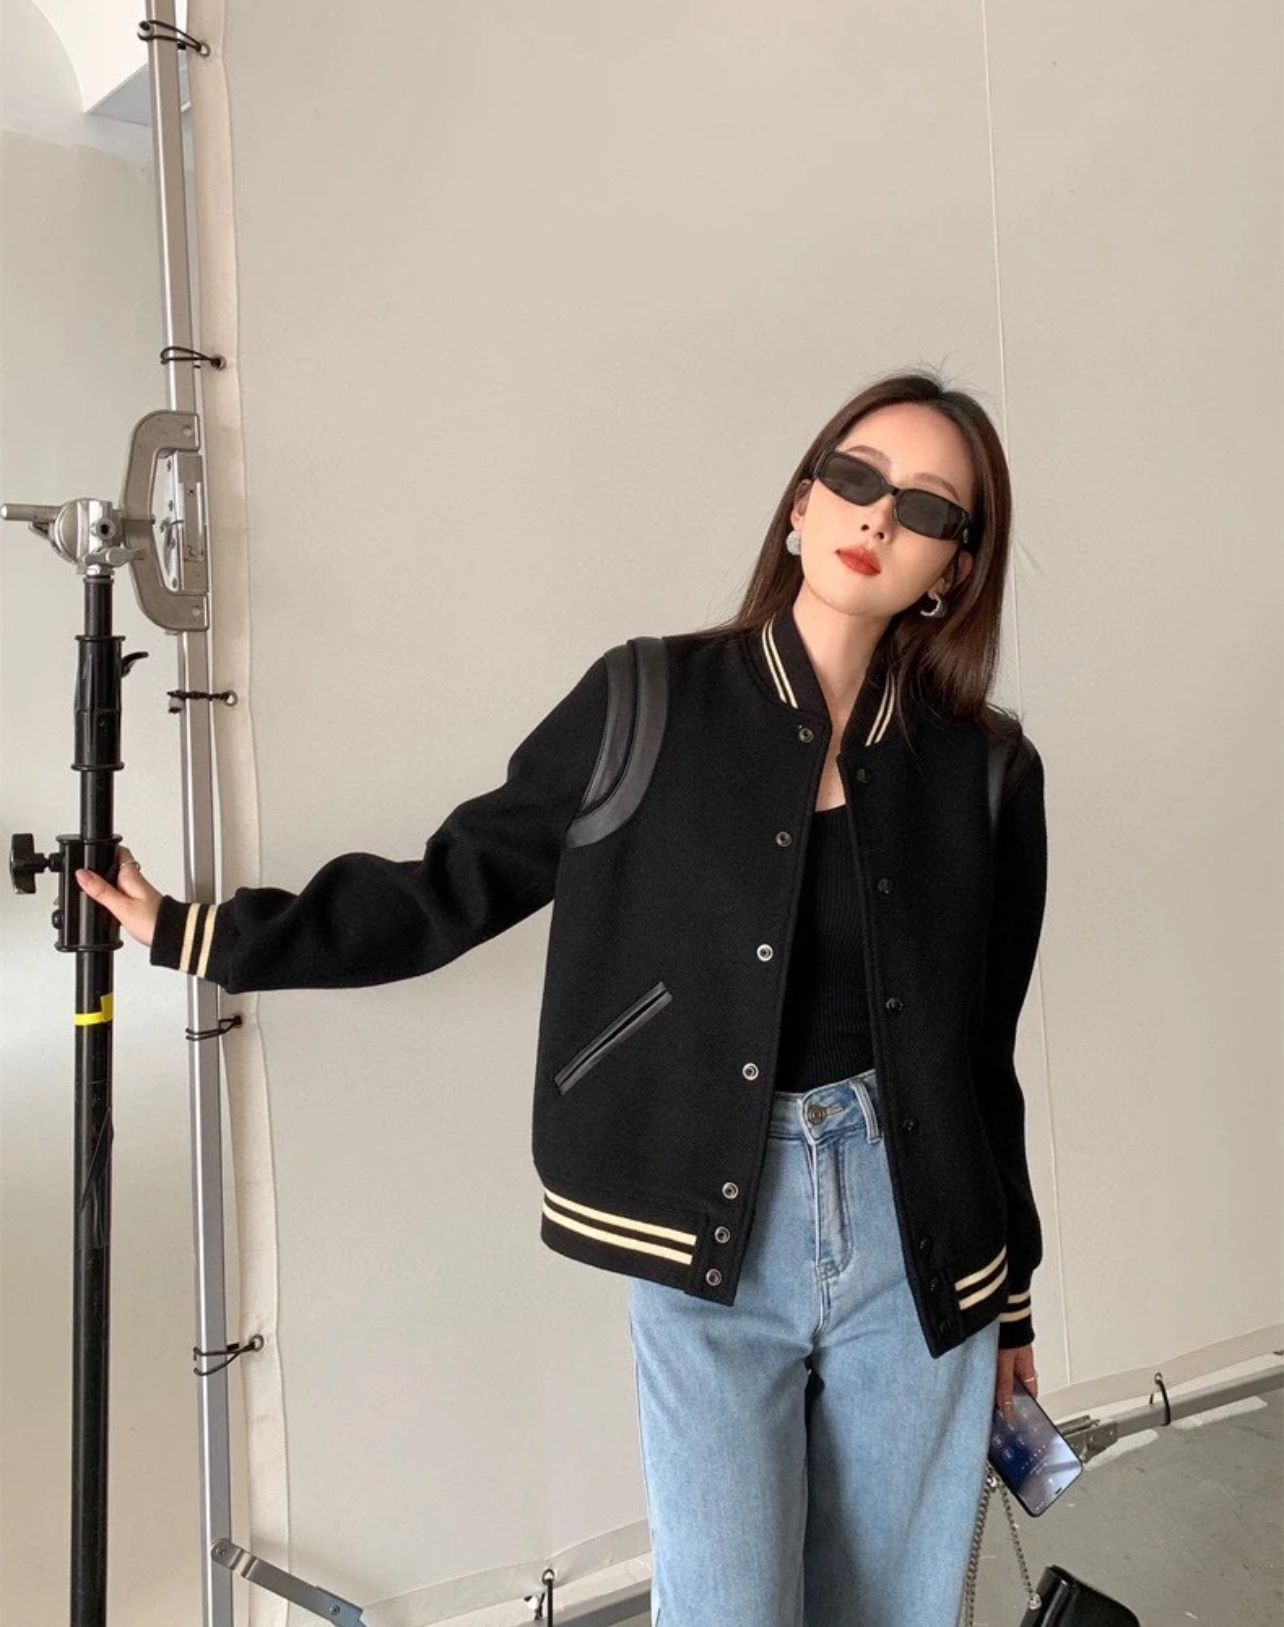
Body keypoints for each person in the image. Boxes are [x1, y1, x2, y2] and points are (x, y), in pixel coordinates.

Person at [77, 370, 1047, 1627]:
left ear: (952, 568)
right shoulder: (647, 698)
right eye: (856, 477)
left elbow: (982, 1050)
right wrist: (201, 932)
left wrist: (1009, 1298)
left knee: (895, 1611)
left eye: (925, 506)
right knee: (728, 1606)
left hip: (919, 1232)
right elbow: (451, 886)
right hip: (705, 1215)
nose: (878, 514)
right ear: (802, 504)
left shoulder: (986, 770)